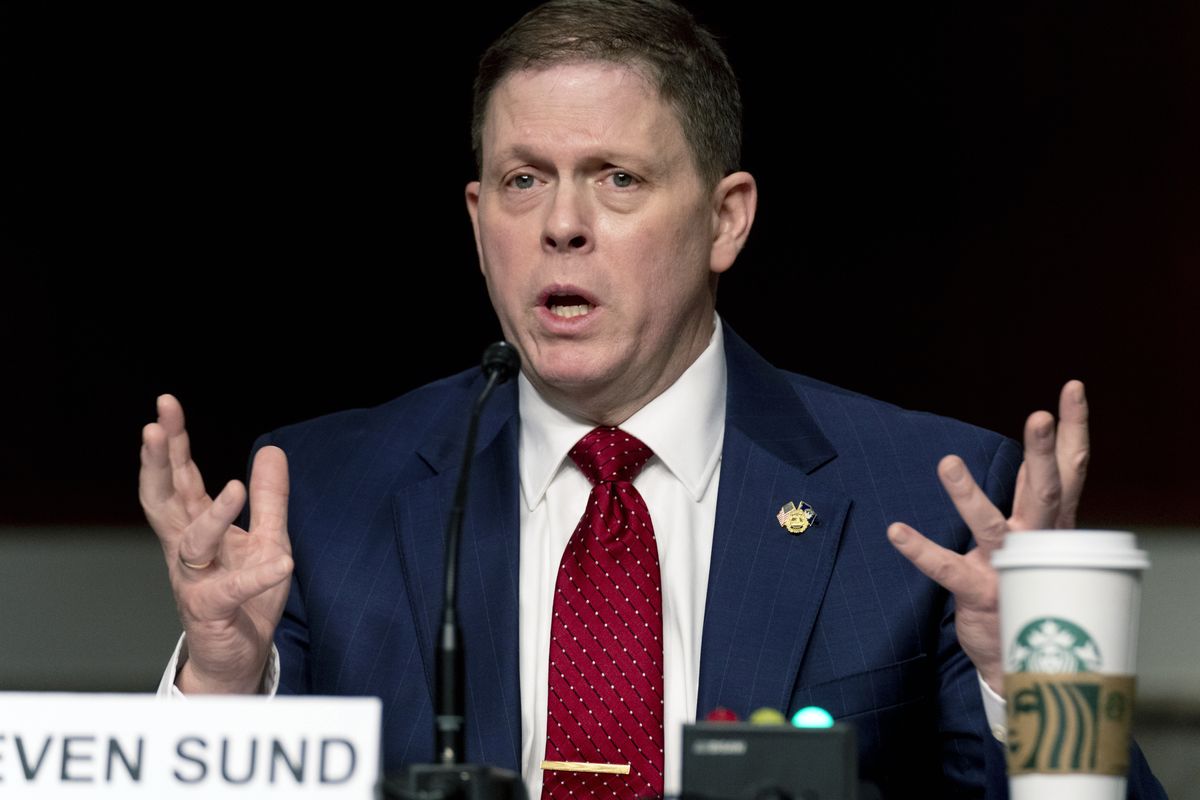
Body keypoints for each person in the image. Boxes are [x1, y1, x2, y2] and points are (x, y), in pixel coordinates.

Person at [140, 1, 1163, 797]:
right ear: (477, 216)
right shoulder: (324, 497)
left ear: (727, 220)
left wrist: (1035, 682)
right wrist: (224, 686)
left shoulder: (928, 497)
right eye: (523, 180)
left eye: (618, 178)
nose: (563, 224)